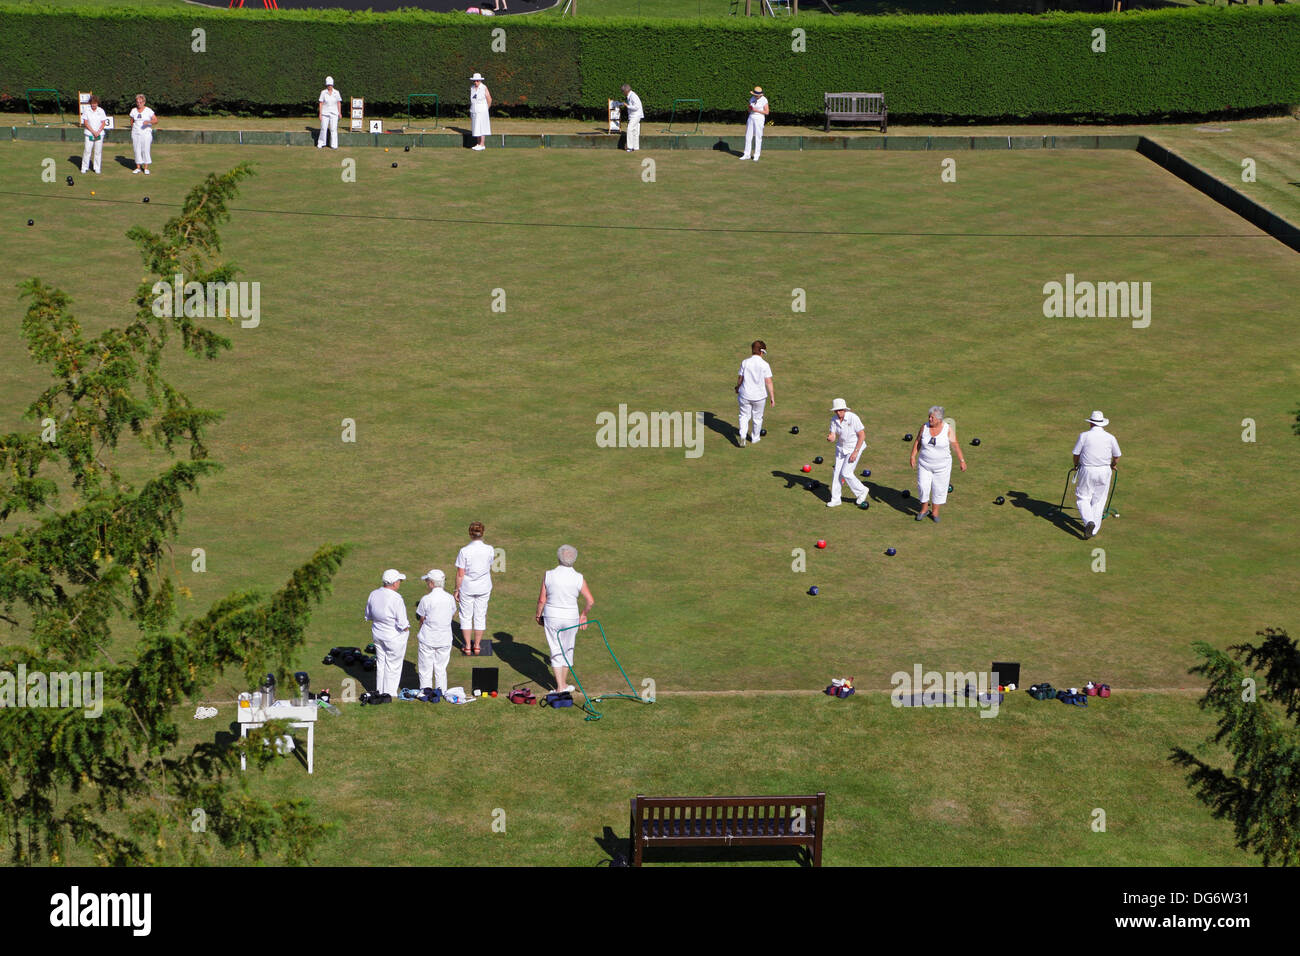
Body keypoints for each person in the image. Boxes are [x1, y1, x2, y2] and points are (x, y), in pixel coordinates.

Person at [535, 545, 595, 694]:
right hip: (571, 617)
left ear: (558, 557)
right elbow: (590, 601)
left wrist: (538, 615)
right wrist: (583, 615)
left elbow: (542, 599)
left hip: (552, 616)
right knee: (568, 649)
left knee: (556, 649)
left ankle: (561, 686)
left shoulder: (549, 574)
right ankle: (562, 686)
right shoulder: (578, 577)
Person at [909, 406, 967, 522]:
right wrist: (913, 455)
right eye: (929, 417)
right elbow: (918, 441)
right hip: (924, 464)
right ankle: (924, 510)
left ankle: (935, 512)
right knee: (923, 487)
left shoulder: (948, 429)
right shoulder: (924, 427)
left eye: (932, 417)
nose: (930, 419)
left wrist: (962, 461)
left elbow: (955, 445)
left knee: (939, 489)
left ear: (940, 419)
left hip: (942, 467)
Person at [1072, 410, 1121, 539]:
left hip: (1087, 470)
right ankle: (1093, 530)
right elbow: (1117, 456)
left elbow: (1076, 454)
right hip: (1104, 471)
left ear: (1091, 423)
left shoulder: (1084, 436)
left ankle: (1089, 522)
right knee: (1099, 500)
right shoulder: (1110, 437)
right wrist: (1113, 465)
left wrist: (1076, 465)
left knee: (1083, 497)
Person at [364, 569, 410, 696]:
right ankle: (389, 694)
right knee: (393, 665)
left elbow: (368, 615)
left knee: (381, 663)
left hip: (378, 634)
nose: (400, 583)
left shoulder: (373, 594)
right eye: (399, 581)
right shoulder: (396, 598)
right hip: (394, 636)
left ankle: (380, 690)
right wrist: (406, 630)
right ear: (394, 583)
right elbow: (403, 623)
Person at [415, 569, 458, 694]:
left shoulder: (426, 599)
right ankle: (441, 691)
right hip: (444, 639)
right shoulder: (450, 598)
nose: (427, 583)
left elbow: (421, 618)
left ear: (432, 583)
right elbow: (451, 614)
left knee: (425, 668)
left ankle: (425, 692)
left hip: (428, 638)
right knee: (441, 668)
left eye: (428, 581)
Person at [454, 521, 494, 654]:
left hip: (467, 587)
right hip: (483, 586)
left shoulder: (464, 551)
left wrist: (456, 590)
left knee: (465, 616)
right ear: (482, 533)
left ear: (470, 534)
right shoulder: (489, 549)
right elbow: (489, 565)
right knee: (480, 615)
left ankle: (467, 646)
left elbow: (460, 573)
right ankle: (477, 646)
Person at [825, 398, 870, 509]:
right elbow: (833, 434)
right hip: (841, 449)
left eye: (841, 410)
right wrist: (831, 437)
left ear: (845, 409)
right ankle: (835, 500)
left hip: (854, 448)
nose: (839, 412)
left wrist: (856, 452)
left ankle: (862, 490)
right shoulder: (834, 419)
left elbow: (862, 435)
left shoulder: (853, 418)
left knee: (846, 473)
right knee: (837, 474)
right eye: (837, 411)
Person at [735, 339, 774, 447]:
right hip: (759, 397)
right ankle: (755, 438)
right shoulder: (765, 364)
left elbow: (740, 378)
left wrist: (738, 387)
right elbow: (769, 382)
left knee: (743, 416)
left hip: (745, 394)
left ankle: (743, 436)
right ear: (762, 352)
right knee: (757, 418)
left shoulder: (745, 362)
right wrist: (772, 397)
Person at [128, 94, 158, 175]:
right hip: (136, 133)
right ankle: (138, 167)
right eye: (137, 102)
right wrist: (133, 128)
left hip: (146, 133)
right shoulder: (133, 110)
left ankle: (146, 168)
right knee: (136, 149)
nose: (139, 104)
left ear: (144, 102)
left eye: (141, 102)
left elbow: (155, 120)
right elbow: (131, 120)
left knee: (145, 149)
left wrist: (148, 122)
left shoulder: (148, 110)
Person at [739, 85, 769, 162]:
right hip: (751, 117)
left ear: (760, 95)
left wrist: (756, 110)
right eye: (755, 95)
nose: (755, 96)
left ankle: (756, 155)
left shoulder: (764, 100)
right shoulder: (752, 98)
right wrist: (750, 109)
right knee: (748, 136)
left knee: (758, 137)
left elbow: (766, 112)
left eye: (757, 95)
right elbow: (749, 110)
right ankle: (746, 154)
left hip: (759, 118)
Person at [80, 95, 107, 175]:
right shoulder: (86, 110)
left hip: (99, 134)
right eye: (92, 103)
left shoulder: (101, 111)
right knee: (87, 151)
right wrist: (93, 131)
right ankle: (84, 167)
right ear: (90, 103)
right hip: (89, 134)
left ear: (97, 103)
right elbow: (85, 122)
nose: (93, 105)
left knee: (98, 151)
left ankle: (97, 168)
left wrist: (98, 132)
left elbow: (103, 123)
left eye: (95, 103)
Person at [317, 76, 342, 150]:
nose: (329, 86)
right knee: (323, 128)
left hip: (334, 113)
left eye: (330, 85)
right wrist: (320, 114)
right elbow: (321, 103)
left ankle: (334, 145)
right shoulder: (323, 92)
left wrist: (339, 113)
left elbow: (338, 103)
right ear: (326, 85)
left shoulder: (336, 92)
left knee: (333, 129)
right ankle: (321, 143)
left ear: (333, 85)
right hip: (325, 113)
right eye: (328, 85)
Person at [469, 73, 492, 151]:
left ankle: (482, 144)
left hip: (482, 111)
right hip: (474, 110)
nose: (476, 82)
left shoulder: (484, 87)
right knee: (476, 127)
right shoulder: (472, 88)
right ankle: (478, 144)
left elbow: (489, 99)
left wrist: (486, 108)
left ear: (480, 80)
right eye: (475, 81)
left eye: (477, 81)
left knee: (482, 127)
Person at [620, 84, 643, 152]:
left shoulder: (633, 96)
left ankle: (630, 147)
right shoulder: (630, 96)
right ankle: (636, 147)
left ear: (626, 91)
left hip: (636, 115)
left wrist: (627, 106)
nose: (623, 93)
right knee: (635, 131)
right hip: (634, 115)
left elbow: (636, 107)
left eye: (623, 91)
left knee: (629, 129)